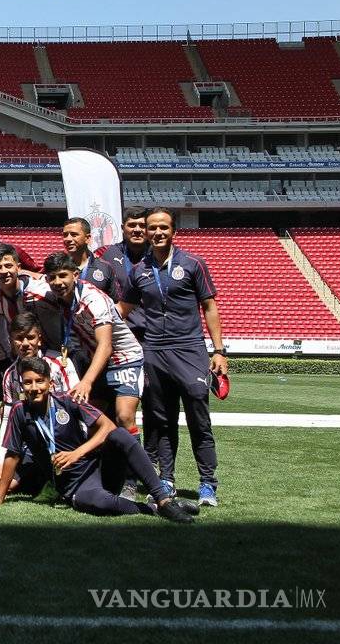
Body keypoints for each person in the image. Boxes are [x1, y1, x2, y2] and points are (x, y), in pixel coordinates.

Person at [0, 357, 196, 523]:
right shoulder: (18, 411)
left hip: (99, 467)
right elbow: (13, 454)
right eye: (28, 382)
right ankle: (157, 508)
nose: (34, 387)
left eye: (39, 381)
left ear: (50, 383)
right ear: (21, 385)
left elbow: (108, 426)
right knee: (101, 503)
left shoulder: (67, 400)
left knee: (119, 434)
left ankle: (163, 499)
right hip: (74, 485)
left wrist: (77, 453)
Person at [119, 207, 227, 507]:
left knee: (198, 417)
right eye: (152, 227)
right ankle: (167, 478)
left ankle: (207, 483)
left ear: (173, 230)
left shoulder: (193, 263)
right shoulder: (138, 271)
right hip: (153, 351)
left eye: (163, 227)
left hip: (190, 348)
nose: (157, 232)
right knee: (162, 420)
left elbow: (210, 307)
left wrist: (218, 351)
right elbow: (122, 311)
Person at [43, 250, 145, 498]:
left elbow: (106, 345)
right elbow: (22, 275)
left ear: (76, 275)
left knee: (124, 417)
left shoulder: (94, 299)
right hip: (97, 361)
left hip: (123, 358)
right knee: (93, 423)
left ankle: (132, 481)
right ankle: (97, 476)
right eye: (52, 277)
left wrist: (87, 381)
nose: (58, 282)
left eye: (63, 276)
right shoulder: (57, 294)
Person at [0, 313, 80, 489]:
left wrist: (80, 449)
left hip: (65, 439)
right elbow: (7, 419)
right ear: (12, 341)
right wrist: (0, 459)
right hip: (32, 443)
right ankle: (41, 475)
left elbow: (79, 406)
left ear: (39, 339)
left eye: (30, 337)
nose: (25, 343)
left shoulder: (59, 365)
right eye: (19, 338)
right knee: (0, 485)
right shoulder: (10, 375)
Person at [100, 206, 149, 341]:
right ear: (123, 228)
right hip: (122, 334)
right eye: (132, 225)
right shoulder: (109, 254)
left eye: (142, 225)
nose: (137, 230)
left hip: (155, 333)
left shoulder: (158, 254)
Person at [63, 217, 119, 300]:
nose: (68, 239)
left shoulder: (104, 268)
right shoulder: (58, 267)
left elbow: (114, 302)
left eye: (74, 235)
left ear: (88, 238)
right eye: (65, 235)